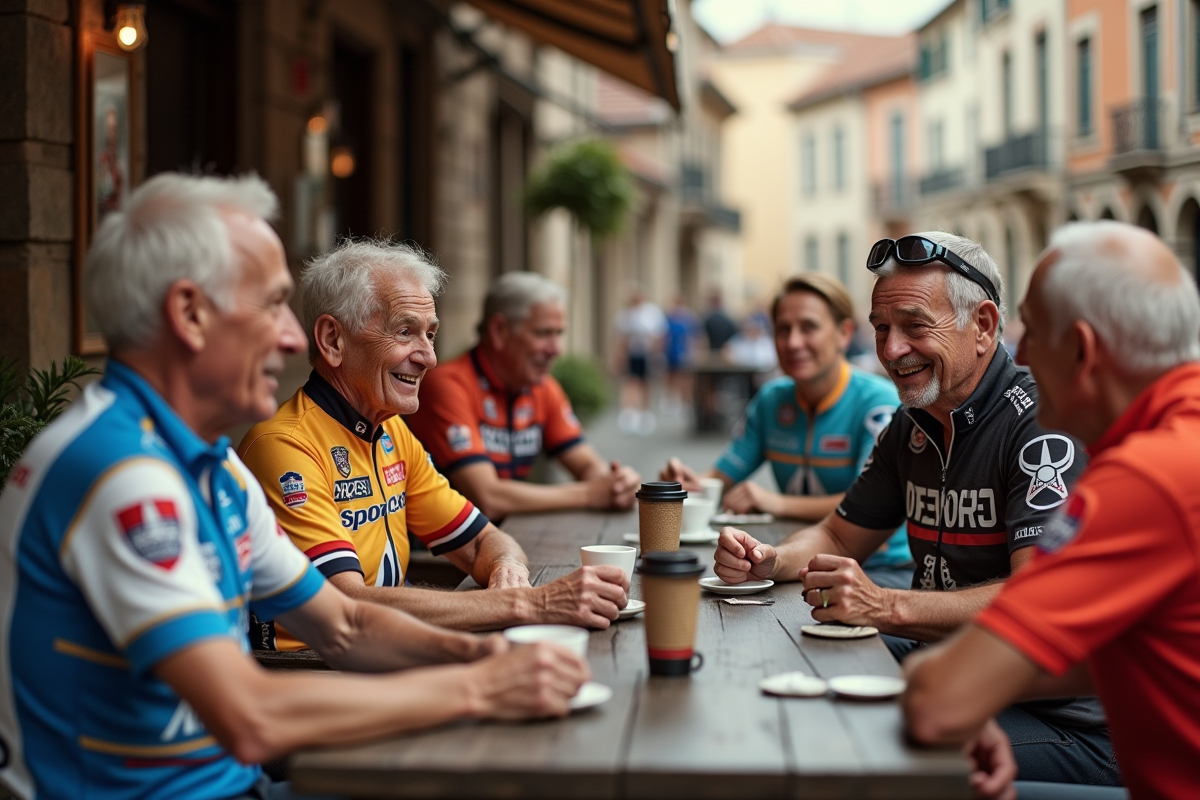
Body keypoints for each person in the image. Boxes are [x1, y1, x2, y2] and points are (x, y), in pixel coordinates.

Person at [0, 174, 589, 800]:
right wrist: (481, 686)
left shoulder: (213, 468)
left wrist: (487, 660)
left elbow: (346, 625)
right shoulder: (120, 474)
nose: (290, 335)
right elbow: (250, 716)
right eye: (271, 304)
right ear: (190, 315)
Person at [712, 232, 1118, 787]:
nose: (891, 350)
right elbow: (838, 536)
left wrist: (886, 605)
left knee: (862, 748)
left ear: (983, 325)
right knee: (790, 673)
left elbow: (1033, 599)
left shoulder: (1038, 424)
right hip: (955, 667)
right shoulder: (913, 422)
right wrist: (769, 558)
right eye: (882, 328)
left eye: (914, 326)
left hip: (1066, 720)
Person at [904, 221, 1200, 800]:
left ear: (1082, 351)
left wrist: (953, 684)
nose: (1021, 354)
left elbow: (935, 703)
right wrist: (981, 691)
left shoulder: (1145, 480)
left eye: (1032, 333)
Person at [239, 246, 629, 648]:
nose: (429, 357)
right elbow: (344, 602)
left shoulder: (391, 431)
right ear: (332, 339)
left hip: (383, 654)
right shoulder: (284, 443)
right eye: (405, 331)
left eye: (430, 334)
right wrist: (529, 603)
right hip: (311, 672)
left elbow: (481, 540)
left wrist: (507, 568)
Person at [660, 274, 912, 589]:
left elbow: (867, 503)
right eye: (782, 329)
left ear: (844, 333)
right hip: (797, 556)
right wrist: (688, 484)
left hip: (877, 565)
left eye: (809, 327)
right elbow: (724, 474)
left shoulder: (877, 402)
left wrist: (775, 502)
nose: (793, 342)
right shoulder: (771, 399)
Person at [406, 271, 640, 523]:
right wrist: (590, 494)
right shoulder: (448, 385)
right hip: (439, 553)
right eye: (543, 333)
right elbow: (488, 497)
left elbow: (587, 465)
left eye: (559, 334)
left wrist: (617, 484)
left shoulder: (543, 388)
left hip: (505, 542)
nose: (555, 349)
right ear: (499, 331)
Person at [614, 288, 667, 435]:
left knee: (645, 383)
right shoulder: (625, 315)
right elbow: (621, 338)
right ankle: (630, 412)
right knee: (631, 382)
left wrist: (657, 354)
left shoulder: (651, 313)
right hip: (633, 354)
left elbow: (659, 335)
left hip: (647, 354)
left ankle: (645, 413)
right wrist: (621, 355)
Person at [662, 294, 702, 416]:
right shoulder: (668, 318)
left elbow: (696, 336)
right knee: (671, 375)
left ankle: (685, 401)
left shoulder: (689, 318)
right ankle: (671, 398)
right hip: (671, 352)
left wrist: (696, 351)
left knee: (684, 377)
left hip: (684, 352)